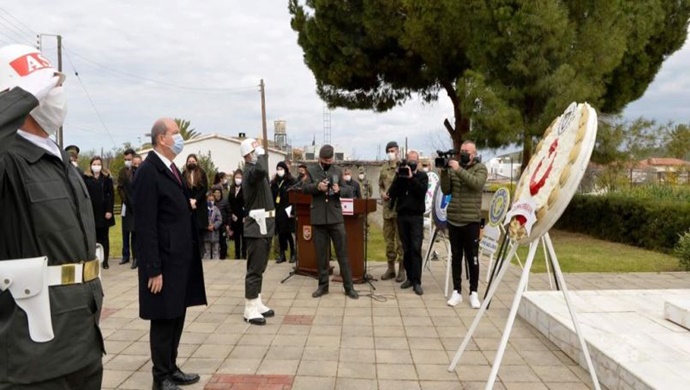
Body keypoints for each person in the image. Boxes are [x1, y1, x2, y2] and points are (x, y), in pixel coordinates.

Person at [0, 44, 104, 389]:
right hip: (33, 354)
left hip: (84, 339)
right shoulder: (9, 160)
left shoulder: (61, 160)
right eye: (47, 86)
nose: (57, 94)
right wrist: (16, 101)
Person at [133, 118, 207, 390]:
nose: (180, 137)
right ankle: (160, 377)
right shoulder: (149, 171)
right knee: (164, 319)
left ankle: (171, 367)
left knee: (176, 314)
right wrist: (153, 269)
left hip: (179, 259)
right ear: (161, 138)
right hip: (162, 261)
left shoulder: (171, 168)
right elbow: (145, 225)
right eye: (175, 133)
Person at [302, 145, 359, 300]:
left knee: (342, 253)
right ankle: (323, 286)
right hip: (319, 217)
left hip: (335, 218)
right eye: (325, 160)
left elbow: (348, 190)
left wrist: (339, 189)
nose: (328, 162)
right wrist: (317, 186)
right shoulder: (312, 171)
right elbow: (304, 188)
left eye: (330, 159)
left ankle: (349, 288)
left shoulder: (337, 171)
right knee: (321, 255)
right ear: (320, 158)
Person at [441, 140, 488, 309]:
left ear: (474, 154)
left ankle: (474, 292)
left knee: (472, 257)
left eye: (467, 151)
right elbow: (446, 190)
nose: (464, 153)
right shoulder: (454, 168)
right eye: (462, 151)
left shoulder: (480, 168)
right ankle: (457, 291)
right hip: (454, 219)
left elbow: (476, 184)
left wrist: (457, 169)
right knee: (456, 256)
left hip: (471, 221)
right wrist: (444, 172)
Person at [239, 138, 276, 325]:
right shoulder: (250, 172)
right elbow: (261, 168)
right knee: (254, 268)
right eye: (255, 152)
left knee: (261, 266)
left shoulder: (256, 172)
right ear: (249, 154)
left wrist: (261, 153)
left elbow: (263, 168)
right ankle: (250, 307)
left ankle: (257, 300)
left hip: (265, 224)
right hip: (256, 226)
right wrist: (260, 152)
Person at [387, 150, 429, 295]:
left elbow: (421, 192)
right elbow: (392, 193)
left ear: (417, 162)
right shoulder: (401, 175)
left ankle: (417, 281)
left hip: (416, 216)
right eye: (409, 159)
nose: (411, 162)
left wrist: (411, 178)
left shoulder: (422, 176)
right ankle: (410, 278)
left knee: (415, 248)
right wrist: (399, 177)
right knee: (406, 248)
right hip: (402, 215)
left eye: (413, 160)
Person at [83, 156, 116, 269]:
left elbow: (111, 195)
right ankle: (94, 259)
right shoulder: (86, 178)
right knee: (93, 238)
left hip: (104, 212)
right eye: (94, 164)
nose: (96, 166)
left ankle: (105, 261)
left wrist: (109, 210)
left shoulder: (106, 178)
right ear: (91, 165)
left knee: (104, 237)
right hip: (92, 212)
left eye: (98, 164)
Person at [379, 141, 404, 282]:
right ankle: (390, 268)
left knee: (400, 241)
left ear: (398, 151)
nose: (391, 153)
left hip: (400, 209)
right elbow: (380, 185)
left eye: (393, 150)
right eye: (388, 150)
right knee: (388, 240)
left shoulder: (403, 167)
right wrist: (382, 193)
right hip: (387, 209)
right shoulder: (384, 169)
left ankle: (402, 268)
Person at [270, 161, 297, 263]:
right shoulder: (274, 182)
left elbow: (294, 196)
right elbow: (272, 196)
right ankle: (282, 254)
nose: (279, 171)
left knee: (289, 233)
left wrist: (293, 210)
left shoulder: (291, 181)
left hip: (288, 210)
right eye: (278, 169)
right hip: (279, 210)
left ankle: (293, 253)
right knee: (281, 233)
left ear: (285, 170)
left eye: (281, 169)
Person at [182, 153, 208, 255]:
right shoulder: (184, 174)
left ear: (196, 162)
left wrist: (195, 200)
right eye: (189, 162)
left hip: (199, 204)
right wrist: (189, 200)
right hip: (188, 205)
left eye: (193, 161)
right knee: (190, 229)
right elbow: (182, 188)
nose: (191, 163)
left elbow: (204, 188)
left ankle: (200, 252)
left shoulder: (202, 173)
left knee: (200, 230)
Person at [118, 148, 137, 267]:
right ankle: (125, 255)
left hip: (136, 206)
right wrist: (125, 200)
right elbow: (120, 187)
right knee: (125, 231)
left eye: (129, 159)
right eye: (125, 159)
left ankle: (136, 257)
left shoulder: (138, 170)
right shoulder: (122, 172)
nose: (127, 161)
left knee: (134, 232)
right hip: (126, 205)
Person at [227, 169, 247, 259]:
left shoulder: (245, 189)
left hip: (243, 215)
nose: (238, 179)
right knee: (236, 236)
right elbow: (229, 203)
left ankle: (244, 254)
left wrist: (245, 215)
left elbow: (247, 203)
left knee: (244, 236)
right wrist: (231, 214)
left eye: (240, 177)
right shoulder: (231, 189)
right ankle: (237, 254)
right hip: (234, 216)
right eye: (236, 177)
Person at [212, 184, 231, 260]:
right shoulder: (212, 202)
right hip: (214, 226)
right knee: (215, 242)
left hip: (223, 225)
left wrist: (228, 225)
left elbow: (229, 213)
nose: (217, 194)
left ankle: (223, 256)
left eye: (218, 192)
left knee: (223, 242)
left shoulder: (225, 202)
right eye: (215, 192)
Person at [204, 191, 223, 259]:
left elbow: (220, 220)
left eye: (212, 200)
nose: (211, 201)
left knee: (216, 251)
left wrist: (214, 226)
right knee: (207, 251)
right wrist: (206, 226)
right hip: (206, 235)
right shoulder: (204, 210)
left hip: (215, 234)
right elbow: (201, 220)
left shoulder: (216, 209)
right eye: (209, 200)